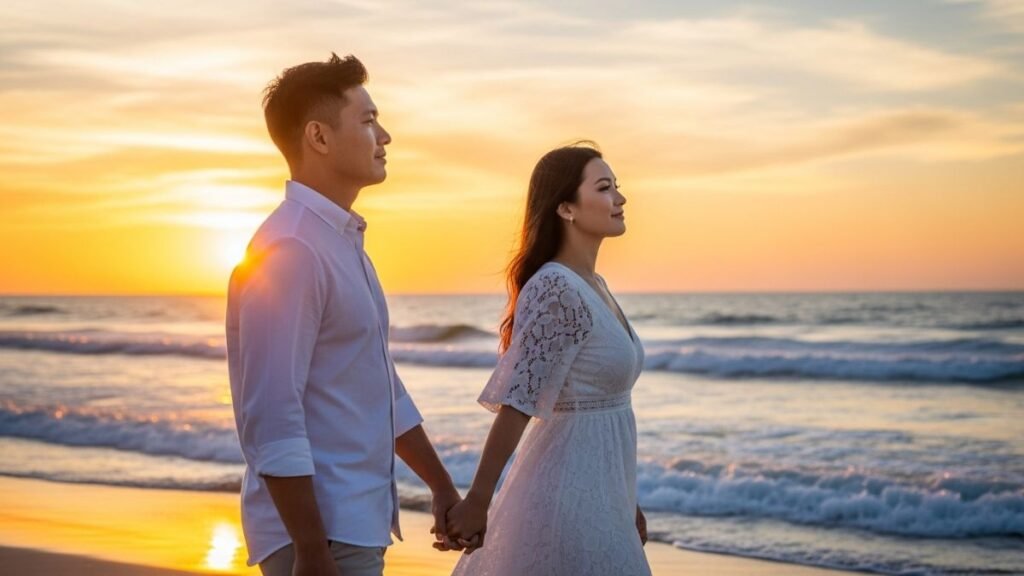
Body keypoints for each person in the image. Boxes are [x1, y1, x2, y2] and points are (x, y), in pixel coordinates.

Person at [226, 53, 467, 576]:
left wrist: (441, 486)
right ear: (318, 137)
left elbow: (378, 386)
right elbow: (272, 415)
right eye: (368, 120)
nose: (385, 136)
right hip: (317, 538)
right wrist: (311, 551)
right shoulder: (290, 251)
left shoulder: (342, 243)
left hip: (351, 525)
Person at [444, 143, 652, 575]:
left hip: (601, 499)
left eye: (618, 186)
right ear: (566, 208)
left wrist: (625, 498)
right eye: (604, 187)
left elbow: (606, 412)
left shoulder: (594, 284)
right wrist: (478, 501)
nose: (620, 198)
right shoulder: (556, 287)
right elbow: (518, 402)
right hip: (564, 502)